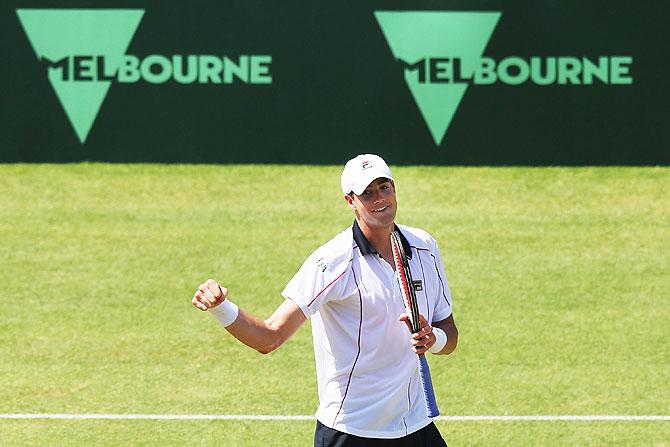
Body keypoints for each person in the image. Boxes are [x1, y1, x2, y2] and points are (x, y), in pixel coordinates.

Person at [192, 154, 458, 446]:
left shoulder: (425, 248)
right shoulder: (331, 262)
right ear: (350, 201)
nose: (379, 198)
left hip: (415, 426)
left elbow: (448, 330)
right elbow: (269, 337)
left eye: (384, 187)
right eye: (367, 193)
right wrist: (221, 308)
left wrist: (436, 339)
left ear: (394, 188)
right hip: (351, 431)